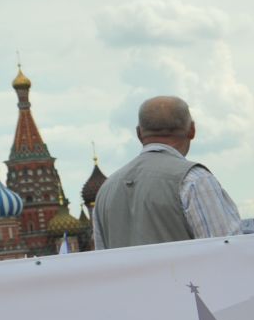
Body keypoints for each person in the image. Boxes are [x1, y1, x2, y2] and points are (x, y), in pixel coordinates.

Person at [91, 97, 242, 250]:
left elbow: (102, 260)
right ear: (192, 130)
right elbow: (227, 250)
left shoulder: (106, 190)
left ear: (139, 133)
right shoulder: (194, 179)